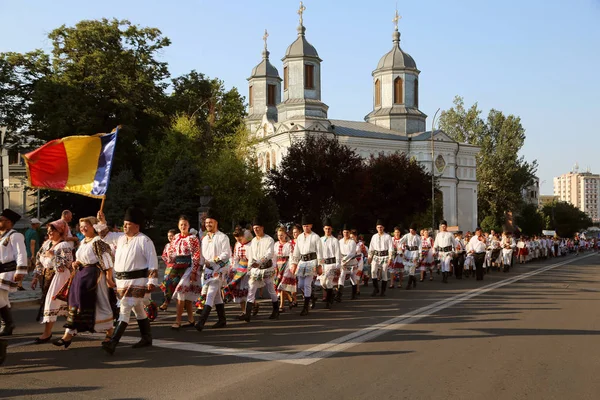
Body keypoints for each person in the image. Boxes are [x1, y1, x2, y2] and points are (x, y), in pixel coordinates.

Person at [100, 208, 158, 355]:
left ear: (137, 226)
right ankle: (147, 337)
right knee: (137, 308)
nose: (124, 227)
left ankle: (113, 342)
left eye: (128, 224)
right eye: (124, 224)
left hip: (137, 280)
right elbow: (104, 235)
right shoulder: (120, 238)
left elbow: (152, 261)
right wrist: (102, 221)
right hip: (121, 281)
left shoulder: (144, 240)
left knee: (124, 309)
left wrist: (151, 280)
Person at [52, 216, 117, 349]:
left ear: (93, 226)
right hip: (81, 275)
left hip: (94, 276)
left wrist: (109, 279)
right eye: (81, 226)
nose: (83, 228)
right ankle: (68, 335)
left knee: (101, 303)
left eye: (86, 226)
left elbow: (107, 260)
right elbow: (83, 258)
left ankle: (110, 331)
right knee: (74, 303)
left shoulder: (98, 241)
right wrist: (77, 262)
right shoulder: (83, 242)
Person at [31, 220, 73, 343]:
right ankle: (55, 332)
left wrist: (52, 257)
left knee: (54, 303)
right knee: (55, 304)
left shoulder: (64, 245)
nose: (49, 232)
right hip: (48, 277)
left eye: (53, 230)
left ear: (60, 231)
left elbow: (65, 265)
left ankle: (51, 333)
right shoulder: (47, 244)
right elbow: (39, 261)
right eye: (48, 230)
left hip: (60, 277)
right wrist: (35, 276)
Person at [195, 211, 231, 331]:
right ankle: (222, 320)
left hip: (219, 269)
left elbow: (227, 253)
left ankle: (201, 322)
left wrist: (217, 258)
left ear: (216, 222)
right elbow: (202, 255)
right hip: (208, 270)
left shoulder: (223, 237)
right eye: (206, 222)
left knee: (210, 294)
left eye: (210, 222)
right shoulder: (204, 239)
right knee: (216, 297)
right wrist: (199, 266)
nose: (208, 224)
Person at [170, 216, 202, 330]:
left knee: (180, 292)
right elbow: (172, 251)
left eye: (185, 224)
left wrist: (194, 271)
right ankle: (191, 319)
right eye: (181, 225)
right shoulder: (176, 237)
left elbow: (196, 255)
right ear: (178, 226)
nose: (183, 227)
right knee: (184, 294)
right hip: (177, 266)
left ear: (189, 226)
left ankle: (177, 320)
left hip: (188, 266)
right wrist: (171, 262)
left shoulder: (193, 238)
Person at [0, 209, 28, 337]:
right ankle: (6, 325)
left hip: (7, 270)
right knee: (3, 299)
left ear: (9, 222)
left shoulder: (15, 235)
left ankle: (7, 323)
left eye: (1, 220)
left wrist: (20, 270)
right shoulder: (1, 236)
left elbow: (21, 253)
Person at [244, 218, 278, 321]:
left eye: (258, 228)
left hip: (267, 268)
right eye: (254, 228)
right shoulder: (253, 241)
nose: (256, 230)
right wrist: (249, 269)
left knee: (271, 289)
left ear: (262, 228)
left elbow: (269, 254)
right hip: (256, 270)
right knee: (251, 289)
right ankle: (247, 314)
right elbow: (251, 256)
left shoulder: (269, 240)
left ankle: (276, 310)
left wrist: (258, 262)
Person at [291, 215, 323, 316]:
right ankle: (312, 297)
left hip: (312, 261)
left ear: (311, 226)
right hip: (302, 262)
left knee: (307, 284)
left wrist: (319, 265)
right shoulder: (300, 237)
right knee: (300, 285)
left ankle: (305, 307)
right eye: (304, 226)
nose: (306, 228)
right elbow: (296, 252)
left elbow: (320, 252)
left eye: (307, 226)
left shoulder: (315, 237)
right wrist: (294, 264)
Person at [368, 219, 393, 296]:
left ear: (383, 227)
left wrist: (390, 258)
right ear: (376, 228)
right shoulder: (374, 236)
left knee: (384, 273)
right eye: (378, 227)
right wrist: (369, 257)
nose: (379, 228)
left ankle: (383, 290)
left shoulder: (387, 236)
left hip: (385, 256)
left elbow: (391, 248)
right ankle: (376, 288)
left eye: (381, 227)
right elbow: (371, 247)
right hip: (376, 256)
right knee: (373, 271)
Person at [319, 218, 340, 309]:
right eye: (326, 228)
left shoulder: (335, 240)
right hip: (323, 264)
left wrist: (338, 266)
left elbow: (338, 253)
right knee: (323, 283)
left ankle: (328, 301)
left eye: (329, 229)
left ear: (331, 229)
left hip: (332, 264)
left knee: (328, 282)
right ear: (324, 229)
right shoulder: (320, 240)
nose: (327, 230)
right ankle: (331, 295)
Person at [276, 227, 296, 312]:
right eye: (279, 235)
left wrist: (292, 266)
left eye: (282, 235)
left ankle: (281, 306)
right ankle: (291, 299)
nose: (280, 237)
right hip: (278, 264)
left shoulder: (289, 244)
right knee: (280, 286)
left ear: (285, 235)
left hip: (286, 264)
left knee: (282, 285)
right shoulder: (276, 244)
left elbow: (291, 256)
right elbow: (274, 256)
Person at [159, 229, 178, 310]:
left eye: (171, 236)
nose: (170, 237)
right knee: (166, 284)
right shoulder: (167, 245)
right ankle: (166, 301)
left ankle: (169, 302)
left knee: (174, 285)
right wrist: (168, 262)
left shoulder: (178, 244)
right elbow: (164, 255)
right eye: (168, 236)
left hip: (177, 267)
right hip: (169, 267)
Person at [338, 225, 358, 301]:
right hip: (343, 262)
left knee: (353, 277)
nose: (345, 233)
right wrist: (341, 260)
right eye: (344, 232)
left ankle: (354, 294)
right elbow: (338, 252)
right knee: (341, 276)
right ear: (342, 232)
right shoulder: (340, 241)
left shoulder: (352, 242)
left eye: (347, 232)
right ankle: (339, 295)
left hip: (351, 262)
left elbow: (352, 253)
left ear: (349, 233)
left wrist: (344, 260)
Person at [399, 223, 420, 290]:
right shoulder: (406, 236)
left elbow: (420, 247)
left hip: (414, 254)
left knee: (412, 270)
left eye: (412, 230)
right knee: (406, 269)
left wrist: (420, 256)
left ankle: (409, 284)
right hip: (407, 253)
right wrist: (400, 250)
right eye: (410, 230)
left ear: (415, 230)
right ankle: (414, 278)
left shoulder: (418, 237)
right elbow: (400, 242)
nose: (411, 231)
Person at [23, 218, 42, 289]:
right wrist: (33, 254)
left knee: (27, 268)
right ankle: (41, 283)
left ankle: (19, 283)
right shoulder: (34, 233)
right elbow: (32, 243)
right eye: (38, 224)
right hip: (33, 253)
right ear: (35, 224)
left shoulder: (27, 231)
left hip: (27, 251)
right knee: (39, 268)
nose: (39, 225)